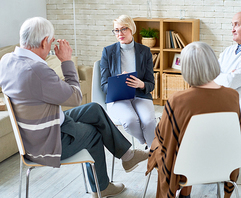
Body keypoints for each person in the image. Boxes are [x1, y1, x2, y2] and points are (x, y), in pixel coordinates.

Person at [0, 17, 149, 198]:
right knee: (94, 133)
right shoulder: (38, 70)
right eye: (51, 41)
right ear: (44, 41)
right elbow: (75, 97)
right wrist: (66, 61)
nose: (51, 46)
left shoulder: (6, 60)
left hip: (35, 133)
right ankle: (101, 187)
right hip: (48, 143)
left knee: (94, 109)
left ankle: (127, 156)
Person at [146, 41, 241, 198]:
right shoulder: (233, 96)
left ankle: (184, 194)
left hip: (184, 168)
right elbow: (234, 135)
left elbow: (166, 137)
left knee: (160, 141)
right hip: (223, 164)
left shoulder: (177, 100)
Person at [100, 15, 156, 147]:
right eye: (116, 30)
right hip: (118, 97)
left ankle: (154, 152)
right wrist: (118, 82)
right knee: (130, 120)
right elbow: (104, 85)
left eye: (123, 29)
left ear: (131, 29)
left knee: (148, 121)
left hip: (140, 94)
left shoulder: (145, 51)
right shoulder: (108, 52)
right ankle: (147, 144)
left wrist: (141, 84)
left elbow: (151, 84)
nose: (120, 33)